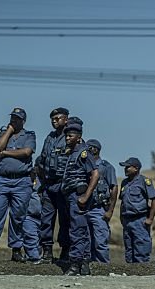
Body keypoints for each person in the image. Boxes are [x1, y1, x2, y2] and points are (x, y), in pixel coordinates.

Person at [0, 106, 35, 263]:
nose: (13, 120)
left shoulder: (29, 135)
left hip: (22, 180)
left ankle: (17, 249)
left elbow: (26, 152)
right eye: (12, 118)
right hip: (1, 180)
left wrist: (5, 153)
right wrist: (9, 130)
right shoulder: (2, 134)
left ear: (23, 121)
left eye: (17, 119)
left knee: (18, 216)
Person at [60, 120, 99, 276]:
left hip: (78, 195)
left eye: (70, 135)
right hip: (71, 195)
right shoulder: (72, 153)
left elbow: (95, 174)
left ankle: (75, 263)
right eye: (66, 136)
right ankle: (84, 264)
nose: (67, 138)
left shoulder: (84, 153)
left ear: (78, 136)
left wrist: (85, 196)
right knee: (81, 230)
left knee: (77, 230)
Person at [37, 107, 70, 264]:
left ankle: (65, 251)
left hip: (63, 186)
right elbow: (42, 161)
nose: (54, 121)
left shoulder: (72, 138)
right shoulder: (49, 138)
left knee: (65, 220)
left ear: (66, 120)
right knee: (46, 220)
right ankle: (47, 252)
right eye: (52, 119)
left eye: (58, 118)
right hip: (49, 186)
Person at [118, 157, 155, 264]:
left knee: (141, 248)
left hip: (140, 220)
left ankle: (142, 275)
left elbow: (154, 199)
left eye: (128, 167)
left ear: (136, 168)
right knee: (129, 249)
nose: (125, 169)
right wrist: (121, 217)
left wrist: (150, 219)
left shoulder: (144, 181)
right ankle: (131, 276)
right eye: (125, 167)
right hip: (127, 220)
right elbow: (123, 202)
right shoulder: (124, 183)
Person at [86, 139, 116, 264]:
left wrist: (110, 211)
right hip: (85, 208)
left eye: (89, 148)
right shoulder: (84, 165)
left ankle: (103, 267)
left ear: (95, 149)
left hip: (99, 208)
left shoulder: (106, 167)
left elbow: (114, 188)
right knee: (86, 241)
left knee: (100, 241)